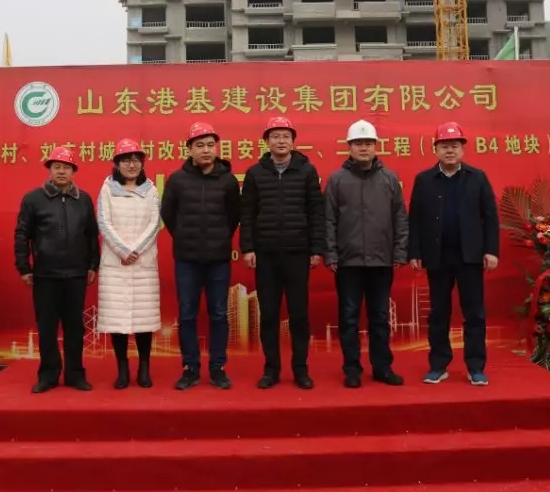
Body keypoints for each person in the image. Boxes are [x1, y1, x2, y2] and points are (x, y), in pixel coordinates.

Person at [408, 121, 500, 387]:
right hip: (437, 257)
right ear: (435, 149)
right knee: (438, 312)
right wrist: (414, 252)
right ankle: (438, 365)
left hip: (469, 256)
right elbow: (415, 219)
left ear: (463, 149)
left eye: (454, 146)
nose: (449, 151)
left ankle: (475, 367)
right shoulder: (424, 180)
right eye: (444, 146)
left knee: (474, 313)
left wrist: (491, 251)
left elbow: (490, 217)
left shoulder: (477, 177)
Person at [240, 116, 325, 390]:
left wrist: (316, 248)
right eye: (275, 136)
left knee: (299, 314)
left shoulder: (307, 171)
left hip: (298, 252)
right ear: (266, 141)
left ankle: (300, 369)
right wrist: (248, 247)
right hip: (266, 254)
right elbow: (247, 214)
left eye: (286, 136)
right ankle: (271, 369)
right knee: (268, 315)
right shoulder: (255, 173)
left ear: (293, 141)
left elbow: (316, 212)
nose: (281, 141)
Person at [324, 119, 408, 389]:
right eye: (358, 143)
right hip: (347, 262)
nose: (363, 148)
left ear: (375, 147)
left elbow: (400, 218)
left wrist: (400, 251)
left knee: (380, 317)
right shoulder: (337, 180)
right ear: (349, 147)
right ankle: (352, 370)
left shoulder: (389, 179)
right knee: (348, 318)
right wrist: (331, 254)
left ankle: (382, 368)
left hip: (381, 259)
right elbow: (328, 220)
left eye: (368, 143)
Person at [160, 122, 241, 391]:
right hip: (187, 259)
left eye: (210, 145)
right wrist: (184, 237)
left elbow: (234, 216)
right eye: (199, 145)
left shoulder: (228, 180)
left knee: (219, 314)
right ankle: (190, 368)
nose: (206, 150)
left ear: (216, 148)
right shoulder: (177, 180)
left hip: (218, 260)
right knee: (187, 315)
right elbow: (168, 214)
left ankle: (218, 368)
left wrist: (220, 238)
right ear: (190, 149)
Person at [14, 146, 99, 393]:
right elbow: (22, 235)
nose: (62, 171)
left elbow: (92, 235)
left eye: (67, 167)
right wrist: (24, 267)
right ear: (49, 170)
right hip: (45, 275)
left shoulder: (83, 199)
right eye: (57, 167)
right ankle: (48, 375)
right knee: (47, 328)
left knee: (75, 328)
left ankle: (75, 374)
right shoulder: (33, 199)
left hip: (76, 274)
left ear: (74, 171)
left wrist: (93, 265)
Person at [96, 138, 162, 390]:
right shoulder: (107, 188)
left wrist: (136, 251)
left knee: (144, 320)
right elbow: (103, 222)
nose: (131, 165)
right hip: (116, 263)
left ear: (142, 163)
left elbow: (154, 223)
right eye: (125, 160)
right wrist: (123, 251)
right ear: (117, 164)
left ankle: (144, 368)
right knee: (118, 320)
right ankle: (122, 370)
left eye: (136, 160)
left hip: (143, 262)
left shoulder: (151, 190)